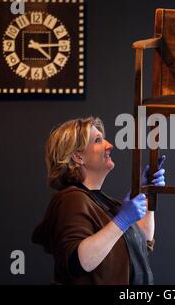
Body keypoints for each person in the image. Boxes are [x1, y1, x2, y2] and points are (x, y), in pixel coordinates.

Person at [32, 116, 166, 285]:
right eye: (97, 140)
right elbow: (76, 262)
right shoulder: (71, 199)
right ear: (77, 157)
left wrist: (146, 192)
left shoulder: (105, 204)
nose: (109, 145)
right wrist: (122, 220)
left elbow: (143, 244)